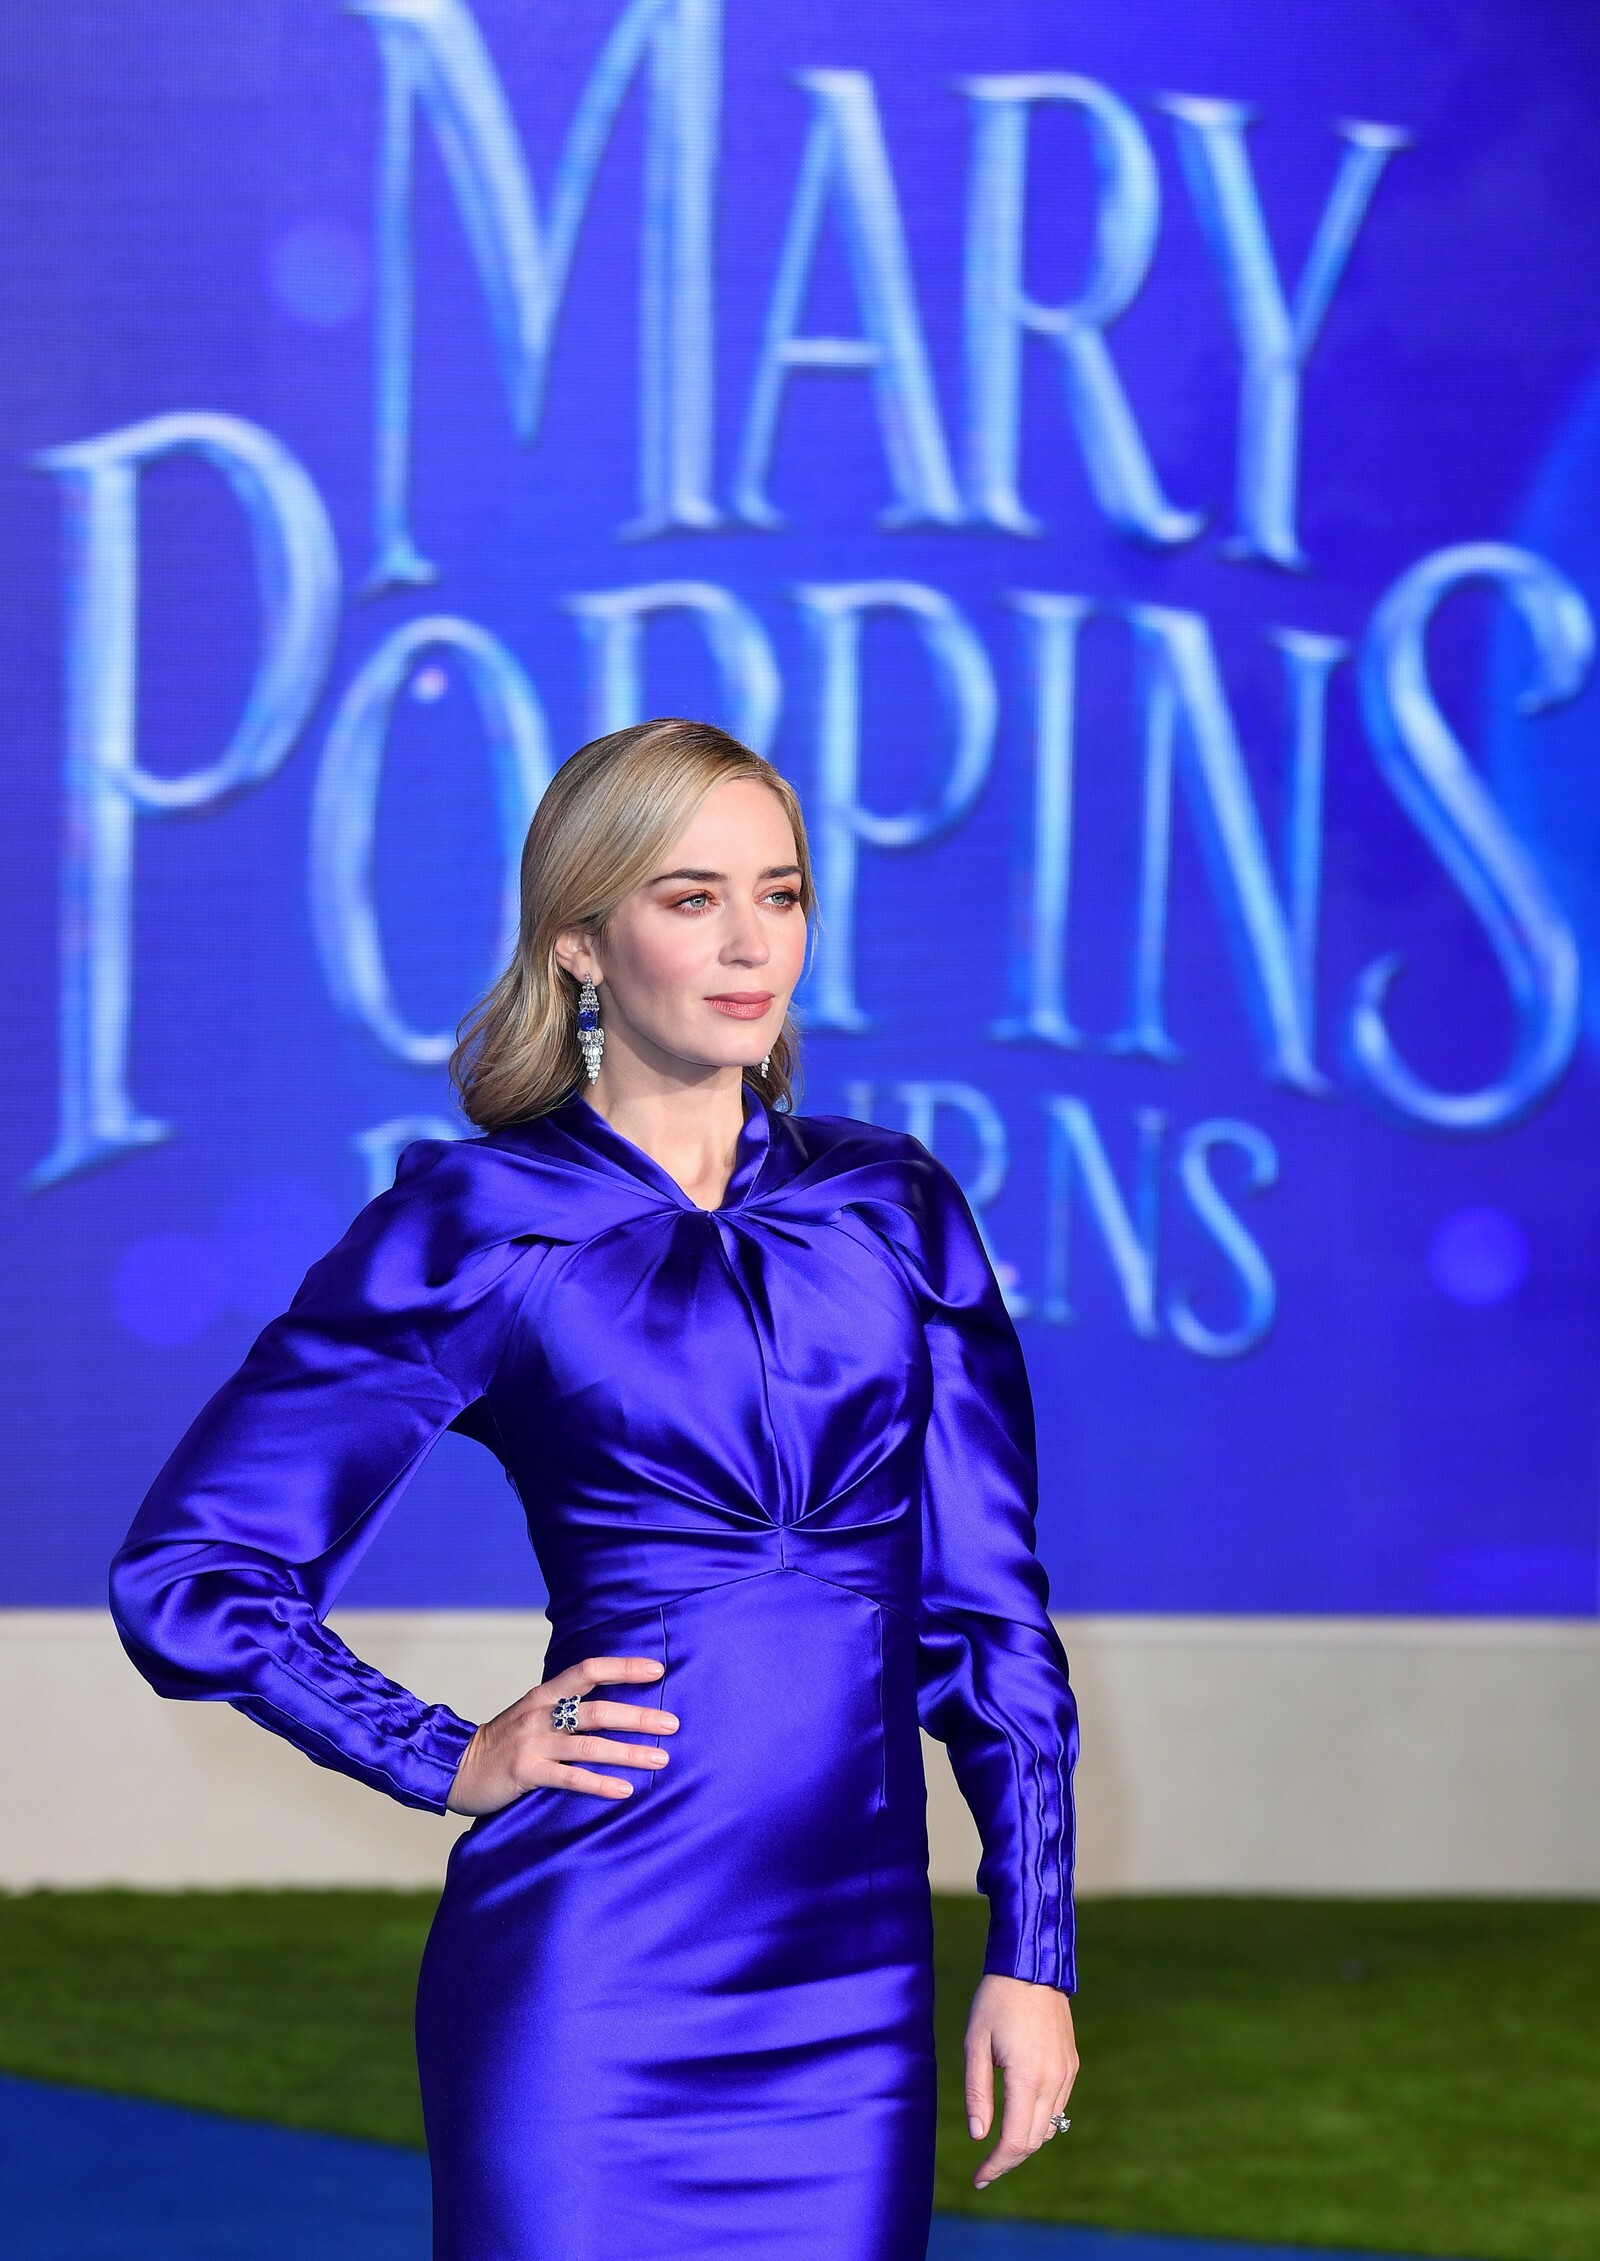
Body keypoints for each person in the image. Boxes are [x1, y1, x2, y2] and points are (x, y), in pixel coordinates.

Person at [109, 718, 1079, 2261]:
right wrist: (441, 1752)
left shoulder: (895, 1205)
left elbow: (989, 1612)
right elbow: (192, 1573)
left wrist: (1035, 1949)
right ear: (578, 939)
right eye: (693, 897)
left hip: (853, 1998)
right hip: (590, 1987)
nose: (753, 943)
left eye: (781, 891)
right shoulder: (480, 1221)